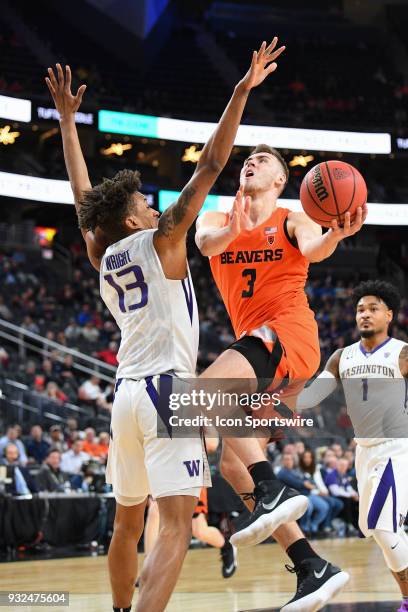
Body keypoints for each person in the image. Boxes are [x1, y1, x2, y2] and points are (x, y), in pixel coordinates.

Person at [46, 39, 283, 612]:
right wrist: (240, 93)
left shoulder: (103, 255)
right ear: (133, 218)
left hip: (124, 397)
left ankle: (121, 608)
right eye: (147, 205)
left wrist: (69, 126)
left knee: (128, 524)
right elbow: (210, 165)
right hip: (167, 393)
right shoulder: (161, 240)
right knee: (176, 523)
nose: (157, 208)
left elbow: (84, 199)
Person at [195, 148, 366, 606]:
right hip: (269, 358)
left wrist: (334, 234)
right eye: (248, 159)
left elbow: (314, 247)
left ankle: (272, 488)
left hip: (289, 334)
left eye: (264, 160)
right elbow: (204, 244)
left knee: (205, 392)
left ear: (279, 182)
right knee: (232, 466)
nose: (252, 162)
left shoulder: (293, 219)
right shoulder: (216, 215)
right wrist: (232, 229)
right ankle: (312, 566)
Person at [297, 280, 408, 612]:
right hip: (364, 451)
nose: (365, 314)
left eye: (373, 309)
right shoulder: (340, 357)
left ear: (389, 315)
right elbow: (312, 397)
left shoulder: (402, 353)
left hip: (396, 449)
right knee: (375, 531)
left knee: (382, 527)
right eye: (360, 309)